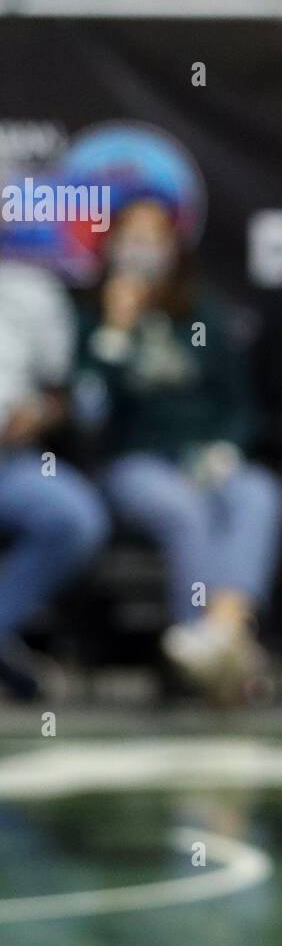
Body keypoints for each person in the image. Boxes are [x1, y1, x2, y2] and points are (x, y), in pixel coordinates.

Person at [76, 196, 282, 701]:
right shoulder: (90, 318)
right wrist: (115, 333)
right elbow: (88, 415)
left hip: (206, 456)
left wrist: (225, 449)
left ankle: (217, 636)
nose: (144, 249)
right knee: (182, 510)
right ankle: (211, 652)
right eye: (133, 236)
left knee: (257, 494)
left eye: (156, 237)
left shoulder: (203, 314)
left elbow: (240, 407)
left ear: (175, 247)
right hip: (136, 463)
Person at [0, 257, 109, 700]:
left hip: (11, 459)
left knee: (75, 517)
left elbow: (65, 393)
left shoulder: (31, 288)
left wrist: (39, 413)